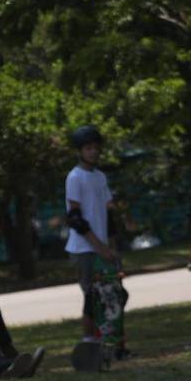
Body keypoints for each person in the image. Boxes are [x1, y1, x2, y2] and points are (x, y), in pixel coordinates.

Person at [63, 126, 127, 357]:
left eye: (95, 147)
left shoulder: (100, 176)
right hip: (84, 248)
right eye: (87, 148)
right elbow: (75, 219)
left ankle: (114, 342)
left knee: (114, 294)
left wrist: (112, 247)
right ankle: (90, 343)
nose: (93, 152)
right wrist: (101, 248)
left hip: (103, 247)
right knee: (92, 296)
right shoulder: (75, 177)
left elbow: (108, 215)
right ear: (80, 151)